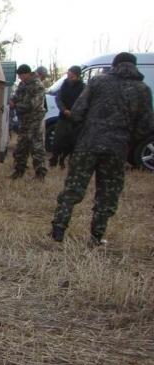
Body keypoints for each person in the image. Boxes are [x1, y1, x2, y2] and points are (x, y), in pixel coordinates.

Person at [50, 52, 153, 245]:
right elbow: (146, 125)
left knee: (73, 189)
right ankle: (96, 237)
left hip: (88, 144)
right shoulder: (143, 89)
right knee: (107, 194)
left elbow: (78, 111)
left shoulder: (97, 82)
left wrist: (84, 130)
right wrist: (128, 137)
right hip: (117, 148)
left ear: (114, 65)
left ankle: (58, 229)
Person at [9, 64, 48, 180]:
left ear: (27, 74)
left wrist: (16, 105)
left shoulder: (38, 85)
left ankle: (40, 174)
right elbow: (16, 96)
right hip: (24, 121)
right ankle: (18, 171)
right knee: (21, 147)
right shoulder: (22, 84)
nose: (20, 78)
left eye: (21, 76)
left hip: (35, 121)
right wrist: (12, 100)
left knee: (36, 148)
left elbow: (33, 105)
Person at [50, 65, 85, 168]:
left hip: (76, 120)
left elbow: (83, 102)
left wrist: (73, 112)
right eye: (68, 75)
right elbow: (58, 99)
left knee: (72, 143)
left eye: (72, 76)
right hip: (63, 117)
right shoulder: (64, 85)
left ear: (78, 76)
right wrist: (64, 109)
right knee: (57, 141)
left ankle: (67, 161)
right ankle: (54, 160)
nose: (69, 78)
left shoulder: (83, 87)